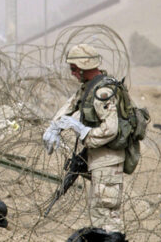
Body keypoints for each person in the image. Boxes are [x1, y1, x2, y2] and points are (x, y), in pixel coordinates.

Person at [42, 44, 126, 237]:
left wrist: (83, 131)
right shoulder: (89, 87)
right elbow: (70, 105)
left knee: (107, 218)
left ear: (83, 67)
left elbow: (111, 129)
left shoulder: (103, 92)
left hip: (108, 160)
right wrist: (54, 126)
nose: (71, 73)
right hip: (97, 157)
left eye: (73, 68)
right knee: (99, 213)